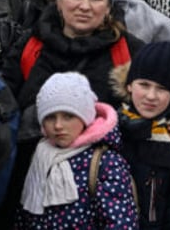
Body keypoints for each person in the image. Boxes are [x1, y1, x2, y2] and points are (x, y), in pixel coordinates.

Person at [0, 0, 146, 227]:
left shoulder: (130, 52)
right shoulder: (31, 44)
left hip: (99, 188)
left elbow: (169, 97)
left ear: (109, 6)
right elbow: (3, 96)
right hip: (27, 182)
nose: (85, 5)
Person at [16, 71, 138, 229]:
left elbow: (121, 223)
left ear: (85, 117)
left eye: (68, 116)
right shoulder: (39, 155)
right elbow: (25, 215)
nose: (58, 125)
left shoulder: (105, 163)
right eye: (50, 117)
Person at [113, 42, 170, 229]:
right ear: (129, 85)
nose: (151, 96)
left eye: (162, 88)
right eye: (144, 85)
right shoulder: (109, 131)